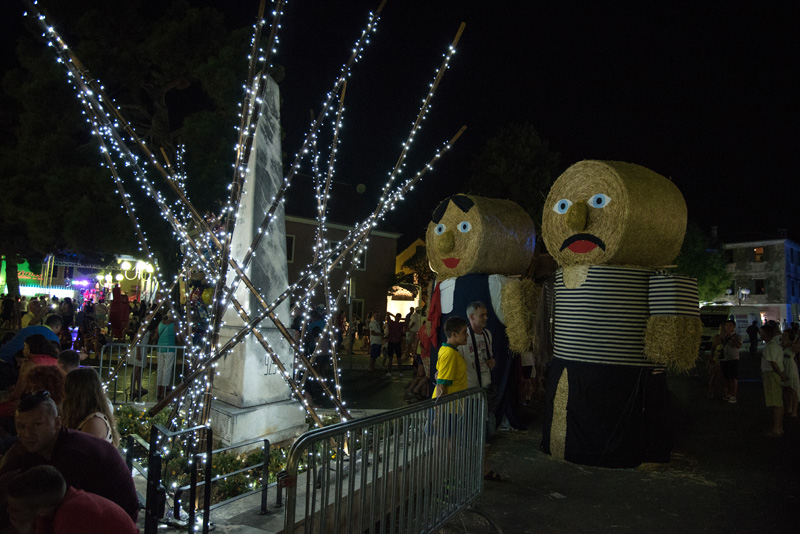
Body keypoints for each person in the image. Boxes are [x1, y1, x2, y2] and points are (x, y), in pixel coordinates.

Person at [0, 392, 138, 523]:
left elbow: (53, 507)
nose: (28, 433)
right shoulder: (39, 445)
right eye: (21, 426)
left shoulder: (74, 454)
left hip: (110, 523)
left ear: (57, 423)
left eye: (38, 424)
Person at [6, 465, 139, 534]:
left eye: (15, 508)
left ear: (42, 510)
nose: (9, 511)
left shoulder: (73, 516)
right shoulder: (58, 503)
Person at [62, 368, 120, 446]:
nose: (63, 391)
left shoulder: (94, 422)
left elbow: (85, 454)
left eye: (66, 387)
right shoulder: (82, 415)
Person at [759, 322, 786, 436]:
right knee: (778, 402)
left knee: (776, 403)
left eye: (761, 333)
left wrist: (780, 374)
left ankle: (776, 428)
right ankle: (778, 427)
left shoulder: (770, 346)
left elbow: (773, 363)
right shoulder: (774, 345)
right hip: (774, 374)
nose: (760, 335)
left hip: (771, 374)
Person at [433, 316, 469, 399]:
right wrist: (440, 410)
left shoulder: (449, 351)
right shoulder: (449, 354)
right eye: (464, 332)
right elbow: (441, 385)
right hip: (448, 409)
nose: (467, 335)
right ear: (454, 334)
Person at [156, 311, 180, 400]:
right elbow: (179, 338)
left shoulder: (160, 324)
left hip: (160, 348)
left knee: (160, 369)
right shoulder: (174, 325)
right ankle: (163, 392)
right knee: (167, 370)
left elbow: (156, 335)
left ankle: (159, 390)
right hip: (169, 349)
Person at [719, 319, 742, 403]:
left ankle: (734, 395)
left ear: (733, 327)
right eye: (726, 326)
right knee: (726, 377)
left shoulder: (737, 336)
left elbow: (738, 345)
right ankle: (729, 393)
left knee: (733, 377)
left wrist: (731, 337)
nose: (727, 327)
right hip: (724, 358)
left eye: (730, 326)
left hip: (733, 359)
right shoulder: (724, 336)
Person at [780, 328, 799, 418]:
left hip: (790, 366)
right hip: (783, 366)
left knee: (793, 389)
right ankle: (789, 407)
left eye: (786, 335)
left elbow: (796, 349)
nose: (783, 336)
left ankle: (794, 410)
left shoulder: (793, 345)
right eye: (783, 334)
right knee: (786, 389)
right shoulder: (780, 344)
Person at [707, 324, 725, 399]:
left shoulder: (728, 337)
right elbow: (713, 349)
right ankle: (711, 392)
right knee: (715, 377)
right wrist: (711, 359)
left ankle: (723, 393)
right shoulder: (718, 337)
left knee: (723, 378)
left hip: (726, 360)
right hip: (717, 360)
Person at [386, 313, 404, 378]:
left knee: (391, 358)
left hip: (392, 341)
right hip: (396, 342)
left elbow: (387, 314)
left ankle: (389, 372)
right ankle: (400, 372)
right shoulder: (400, 324)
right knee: (398, 358)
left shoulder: (391, 323)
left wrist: (393, 316)